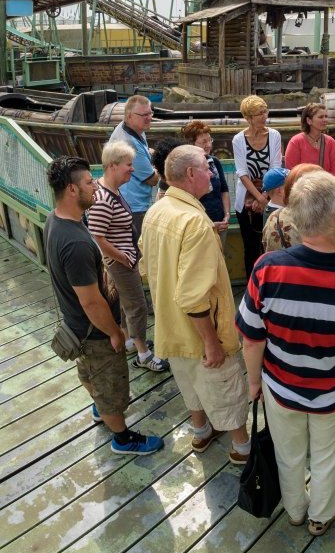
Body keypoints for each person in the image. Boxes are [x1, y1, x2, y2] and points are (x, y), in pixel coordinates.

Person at [237, 171, 335, 536]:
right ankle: (320, 516)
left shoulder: (267, 269)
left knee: (288, 455)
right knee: (328, 457)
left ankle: (293, 511)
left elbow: (251, 340)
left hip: (281, 387)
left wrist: (255, 383)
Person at [44, 156, 163, 455]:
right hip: (93, 331)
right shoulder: (76, 243)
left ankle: (100, 409)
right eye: (87, 183)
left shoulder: (54, 220)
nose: (94, 188)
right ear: (72, 190)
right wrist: (114, 332)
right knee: (111, 389)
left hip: (75, 327)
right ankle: (122, 437)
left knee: (89, 376)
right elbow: (91, 300)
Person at [141, 145, 252, 465]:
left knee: (190, 387)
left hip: (170, 328)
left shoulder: (156, 211)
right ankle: (242, 449)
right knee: (226, 391)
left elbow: (145, 267)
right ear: (191, 174)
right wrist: (212, 343)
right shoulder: (195, 222)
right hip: (203, 334)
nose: (212, 173)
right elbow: (192, 296)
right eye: (207, 167)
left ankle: (201, 432)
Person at [87, 140, 168, 373]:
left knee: (126, 305)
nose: (132, 169)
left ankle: (130, 339)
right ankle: (144, 353)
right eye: (128, 165)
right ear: (113, 166)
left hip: (125, 259)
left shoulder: (111, 190)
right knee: (137, 306)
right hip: (120, 263)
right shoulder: (103, 199)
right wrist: (123, 257)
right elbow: (98, 237)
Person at [232, 95, 284, 277]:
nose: (264, 116)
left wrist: (265, 196)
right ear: (248, 118)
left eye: (265, 111)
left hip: (270, 193)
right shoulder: (238, 140)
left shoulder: (274, 135)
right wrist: (258, 197)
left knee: (270, 245)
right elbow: (242, 172)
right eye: (258, 114)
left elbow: (276, 168)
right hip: (246, 198)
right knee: (251, 247)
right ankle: (251, 286)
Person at [108, 95, 160, 244]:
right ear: (130, 116)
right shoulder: (128, 142)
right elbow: (152, 179)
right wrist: (158, 163)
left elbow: (143, 152)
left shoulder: (132, 128)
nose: (149, 118)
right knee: (140, 253)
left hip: (129, 202)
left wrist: (149, 154)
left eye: (150, 113)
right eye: (144, 115)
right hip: (134, 208)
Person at [181, 121, 230, 249]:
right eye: (203, 142)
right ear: (192, 143)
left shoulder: (215, 162)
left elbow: (224, 191)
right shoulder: (186, 166)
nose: (208, 145)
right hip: (199, 225)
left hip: (220, 222)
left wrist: (227, 215)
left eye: (210, 140)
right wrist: (209, 224)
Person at [262, 163, 319, 252]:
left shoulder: (270, 208)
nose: (294, 188)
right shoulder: (278, 216)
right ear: (280, 191)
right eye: (290, 185)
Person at [284, 102, 335, 175]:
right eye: (321, 117)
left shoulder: (330, 142)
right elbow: (291, 171)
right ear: (309, 120)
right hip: (302, 185)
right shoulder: (296, 142)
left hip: (326, 184)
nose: (325, 120)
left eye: (326, 116)